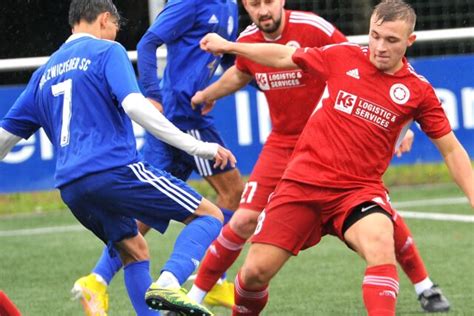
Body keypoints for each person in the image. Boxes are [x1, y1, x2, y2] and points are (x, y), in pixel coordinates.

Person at [198, 0, 474, 314]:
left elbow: (451, 149)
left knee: (381, 242)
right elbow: (285, 56)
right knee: (252, 275)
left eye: (391, 40)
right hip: (301, 185)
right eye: (375, 35)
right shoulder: (342, 56)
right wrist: (232, 46)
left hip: (357, 192)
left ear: (409, 42)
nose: (379, 46)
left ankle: (421, 286)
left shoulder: (418, 92)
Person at [0, 0, 238, 315]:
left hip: (72, 190)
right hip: (114, 171)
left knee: (134, 251)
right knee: (209, 216)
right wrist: (198, 147)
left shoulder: (43, 75)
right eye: (115, 28)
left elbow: (3, 139)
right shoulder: (107, 52)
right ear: (104, 19)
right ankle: (169, 283)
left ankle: (112, 286)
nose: (115, 36)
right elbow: (136, 106)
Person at [72, 0, 243, 313]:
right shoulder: (190, 2)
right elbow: (148, 41)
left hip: (189, 110)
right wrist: (152, 94)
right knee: (232, 191)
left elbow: (227, 57)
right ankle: (213, 279)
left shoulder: (230, 5)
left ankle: (96, 279)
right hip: (182, 113)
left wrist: (213, 91)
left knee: (149, 210)